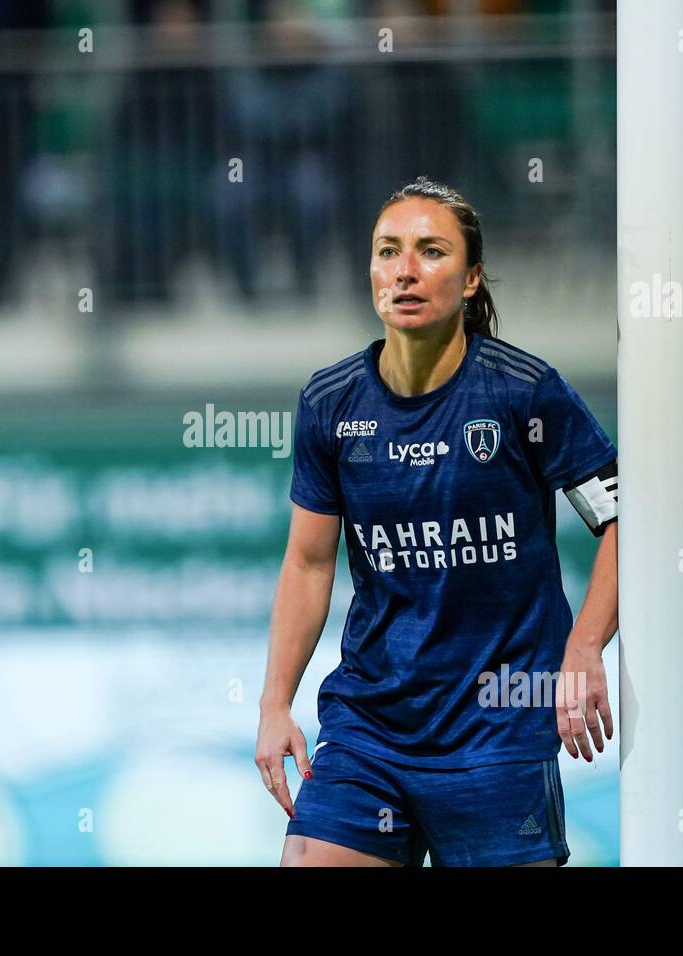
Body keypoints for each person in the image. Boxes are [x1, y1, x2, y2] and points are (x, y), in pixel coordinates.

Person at [255, 177, 619, 867]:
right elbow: (307, 562)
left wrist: (585, 646)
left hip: (500, 733)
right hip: (371, 729)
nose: (406, 269)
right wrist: (276, 706)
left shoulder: (523, 392)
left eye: (430, 251)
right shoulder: (330, 402)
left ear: (473, 277)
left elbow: (624, 519)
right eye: (388, 251)